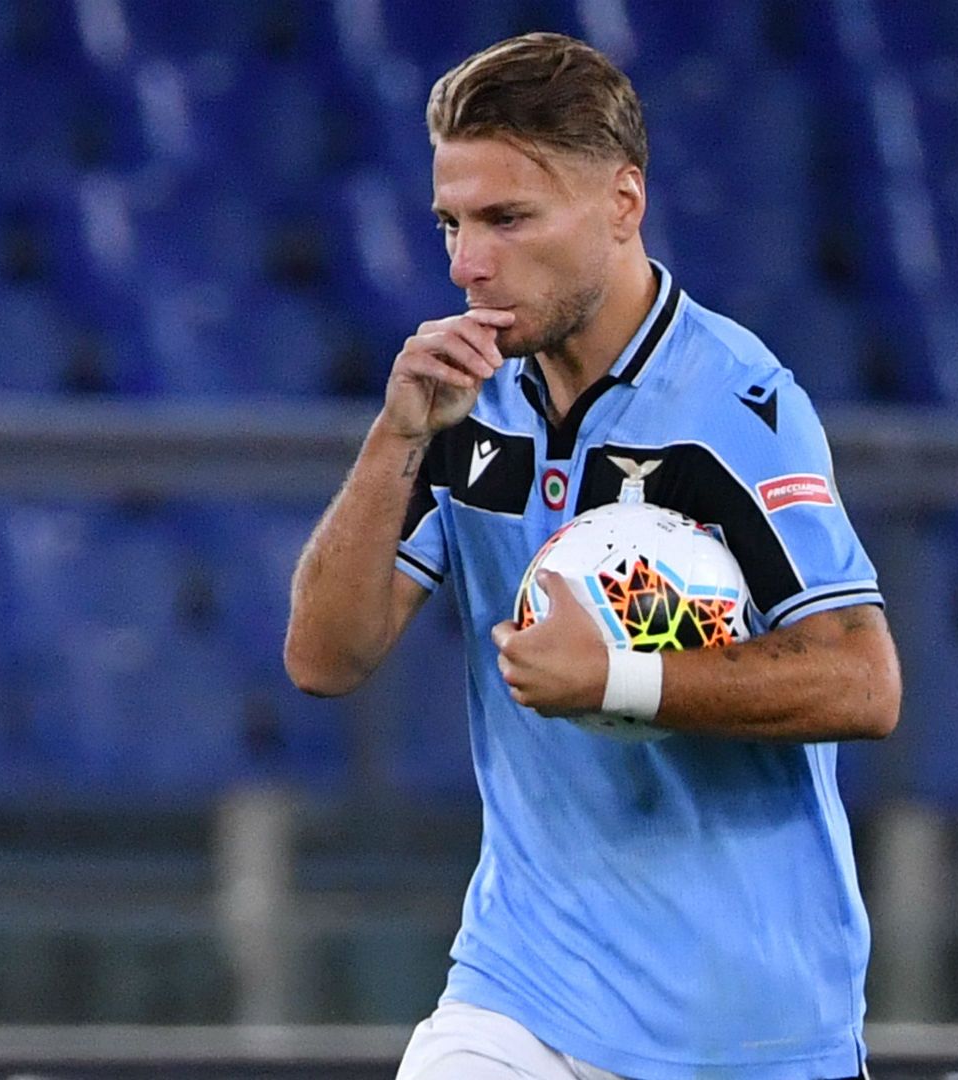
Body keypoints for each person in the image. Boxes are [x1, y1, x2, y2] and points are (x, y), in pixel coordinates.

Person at [284, 32, 900, 1080]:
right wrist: (396, 437)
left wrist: (620, 677)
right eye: (451, 223)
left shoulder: (734, 408)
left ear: (622, 204)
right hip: (525, 984)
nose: (467, 264)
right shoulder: (468, 403)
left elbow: (863, 680)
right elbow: (323, 659)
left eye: (507, 219)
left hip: (741, 1021)